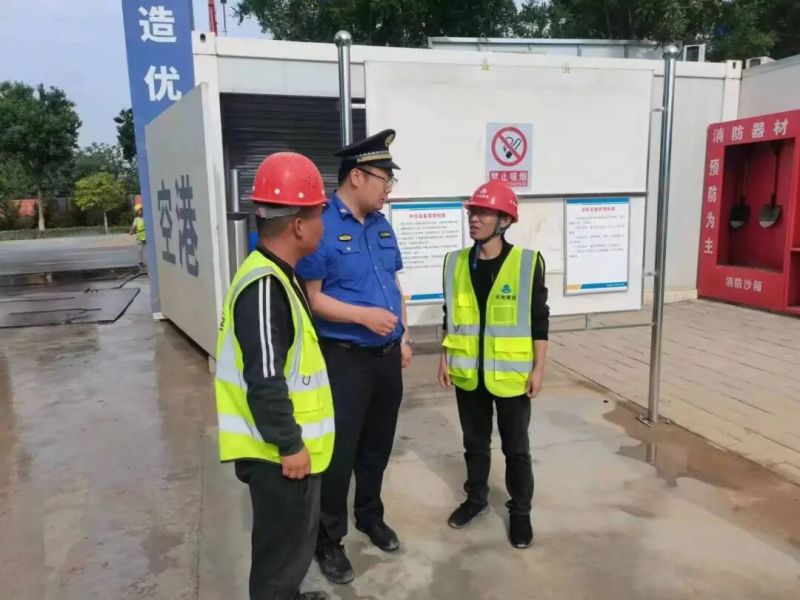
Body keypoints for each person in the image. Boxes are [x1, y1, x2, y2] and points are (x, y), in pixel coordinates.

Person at [215, 152, 333, 600]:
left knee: (291, 550)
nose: (323, 223)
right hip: (278, 455)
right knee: (279, 560)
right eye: (319, 213)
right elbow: (264, 378)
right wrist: (289, 443)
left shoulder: (279, 276)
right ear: (299, 225)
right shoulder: (265, 286)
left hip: (286, 450)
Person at [296, 130, 412, 585]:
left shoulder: (381, 225)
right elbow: (312, 297)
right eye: (385, 179)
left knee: (377, 446)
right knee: (339, 453)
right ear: (358, 177)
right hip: (343, 359)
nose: (388, 189)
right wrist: (363, 317)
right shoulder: (321, 224)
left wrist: (404, 337)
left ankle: (370, 515)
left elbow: (394, 284)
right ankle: (328, 538)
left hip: (386, 356)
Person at [437, 179, 549, 549]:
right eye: (472, 211)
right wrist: (444, 357)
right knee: (475, 444)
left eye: (483, 212)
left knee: (516, 449)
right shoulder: (454, 262)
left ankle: (520, 511)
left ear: (504, 220)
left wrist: (539, 369)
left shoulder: (527, 263)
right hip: (469, 372)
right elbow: (450, 315)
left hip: (512, 374)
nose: (474, 218)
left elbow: (539, 320)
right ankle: (476, 499)